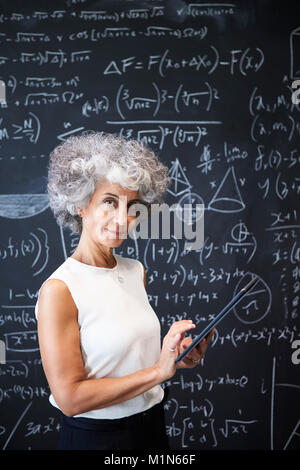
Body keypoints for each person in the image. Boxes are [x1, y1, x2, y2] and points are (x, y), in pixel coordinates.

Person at [35, 131, 214, 451]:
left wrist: (175, 358)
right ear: (80, 204)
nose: (122, 219)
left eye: (132, 206)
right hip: (97, 440)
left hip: (152, 428)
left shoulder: (135, 271)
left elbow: (130, 361)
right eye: (109, 201)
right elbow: (71, 399)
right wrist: (158, 372)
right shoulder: (59, 290)